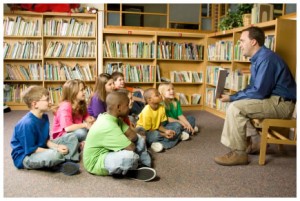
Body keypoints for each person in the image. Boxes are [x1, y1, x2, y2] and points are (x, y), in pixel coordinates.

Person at [214, 26, 296, 166]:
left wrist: (233, 98)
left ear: (253, 42)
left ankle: (239, 154)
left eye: (241, 41)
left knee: (235, 108)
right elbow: (253, 88)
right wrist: (233, 95)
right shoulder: (258, 59)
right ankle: (256, 141)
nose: (239, 45)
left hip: (282, 104)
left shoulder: (267, 59)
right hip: (273, 100)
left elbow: (259, 92)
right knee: (238, 104)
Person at [83, 91, 156, 182]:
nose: (130, 107)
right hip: (96, 162)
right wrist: (126, 144)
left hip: (108, 152)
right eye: (127, 105)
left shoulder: (113, 118)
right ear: (119, 107)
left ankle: (144, 165)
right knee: (130, 156)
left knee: (140, 138)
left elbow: (134, 136)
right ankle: (130, 170)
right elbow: (131, 147)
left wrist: (124, 142)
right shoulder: (108, 124)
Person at [10, 85, 80, 176]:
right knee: (55, 155)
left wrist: (56, 147)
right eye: (47, 100)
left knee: (72, 137)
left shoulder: (44, 117)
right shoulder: (26, 124)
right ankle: (60, 162)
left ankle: (61, 160)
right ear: (34, 104)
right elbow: (31, 150)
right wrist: (56, 150)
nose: (50, 102)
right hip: (26, 156)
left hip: (41, 147)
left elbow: (46, 140)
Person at [136, 88, 189, 153]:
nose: (160, 95)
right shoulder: (146, 111)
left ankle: (158, 144)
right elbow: (148, 130)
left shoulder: (162, 107)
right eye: (157, 95)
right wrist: (164, 134)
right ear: (149, 100)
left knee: (177, 125)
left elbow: (159, 125)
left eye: (159, 94)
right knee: (155, 135)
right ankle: (172, 140)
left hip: (157, 129)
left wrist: (166, 131)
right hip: (146, 132)